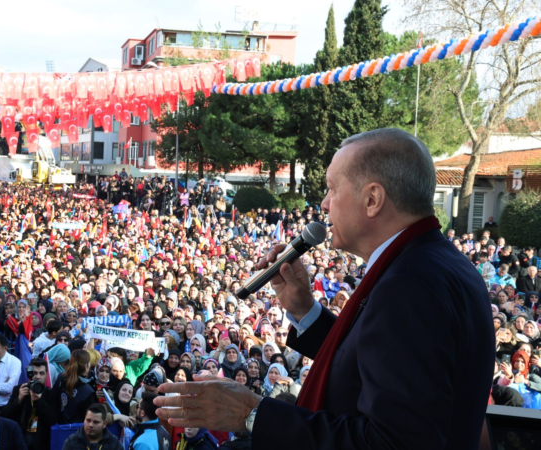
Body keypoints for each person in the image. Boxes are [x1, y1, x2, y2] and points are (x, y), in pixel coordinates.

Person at [154, 128, 494, 448]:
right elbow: (370, 362)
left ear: (372, 199)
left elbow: (395, 441)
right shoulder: (437, 262)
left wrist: (252, 414)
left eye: (332, 188)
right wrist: (303, 309)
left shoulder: (408, 286)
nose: (324, 204)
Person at [0, 358, 55, 450]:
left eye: (41, 373)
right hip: (20, 437)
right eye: (34, 373)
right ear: (29, 373)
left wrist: (39, 401)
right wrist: (19, 399)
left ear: (46, 374)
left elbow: (52, 420)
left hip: (40, 440)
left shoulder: (50, 394)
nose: (37, 377)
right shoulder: (19, 389)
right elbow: (4, 415)